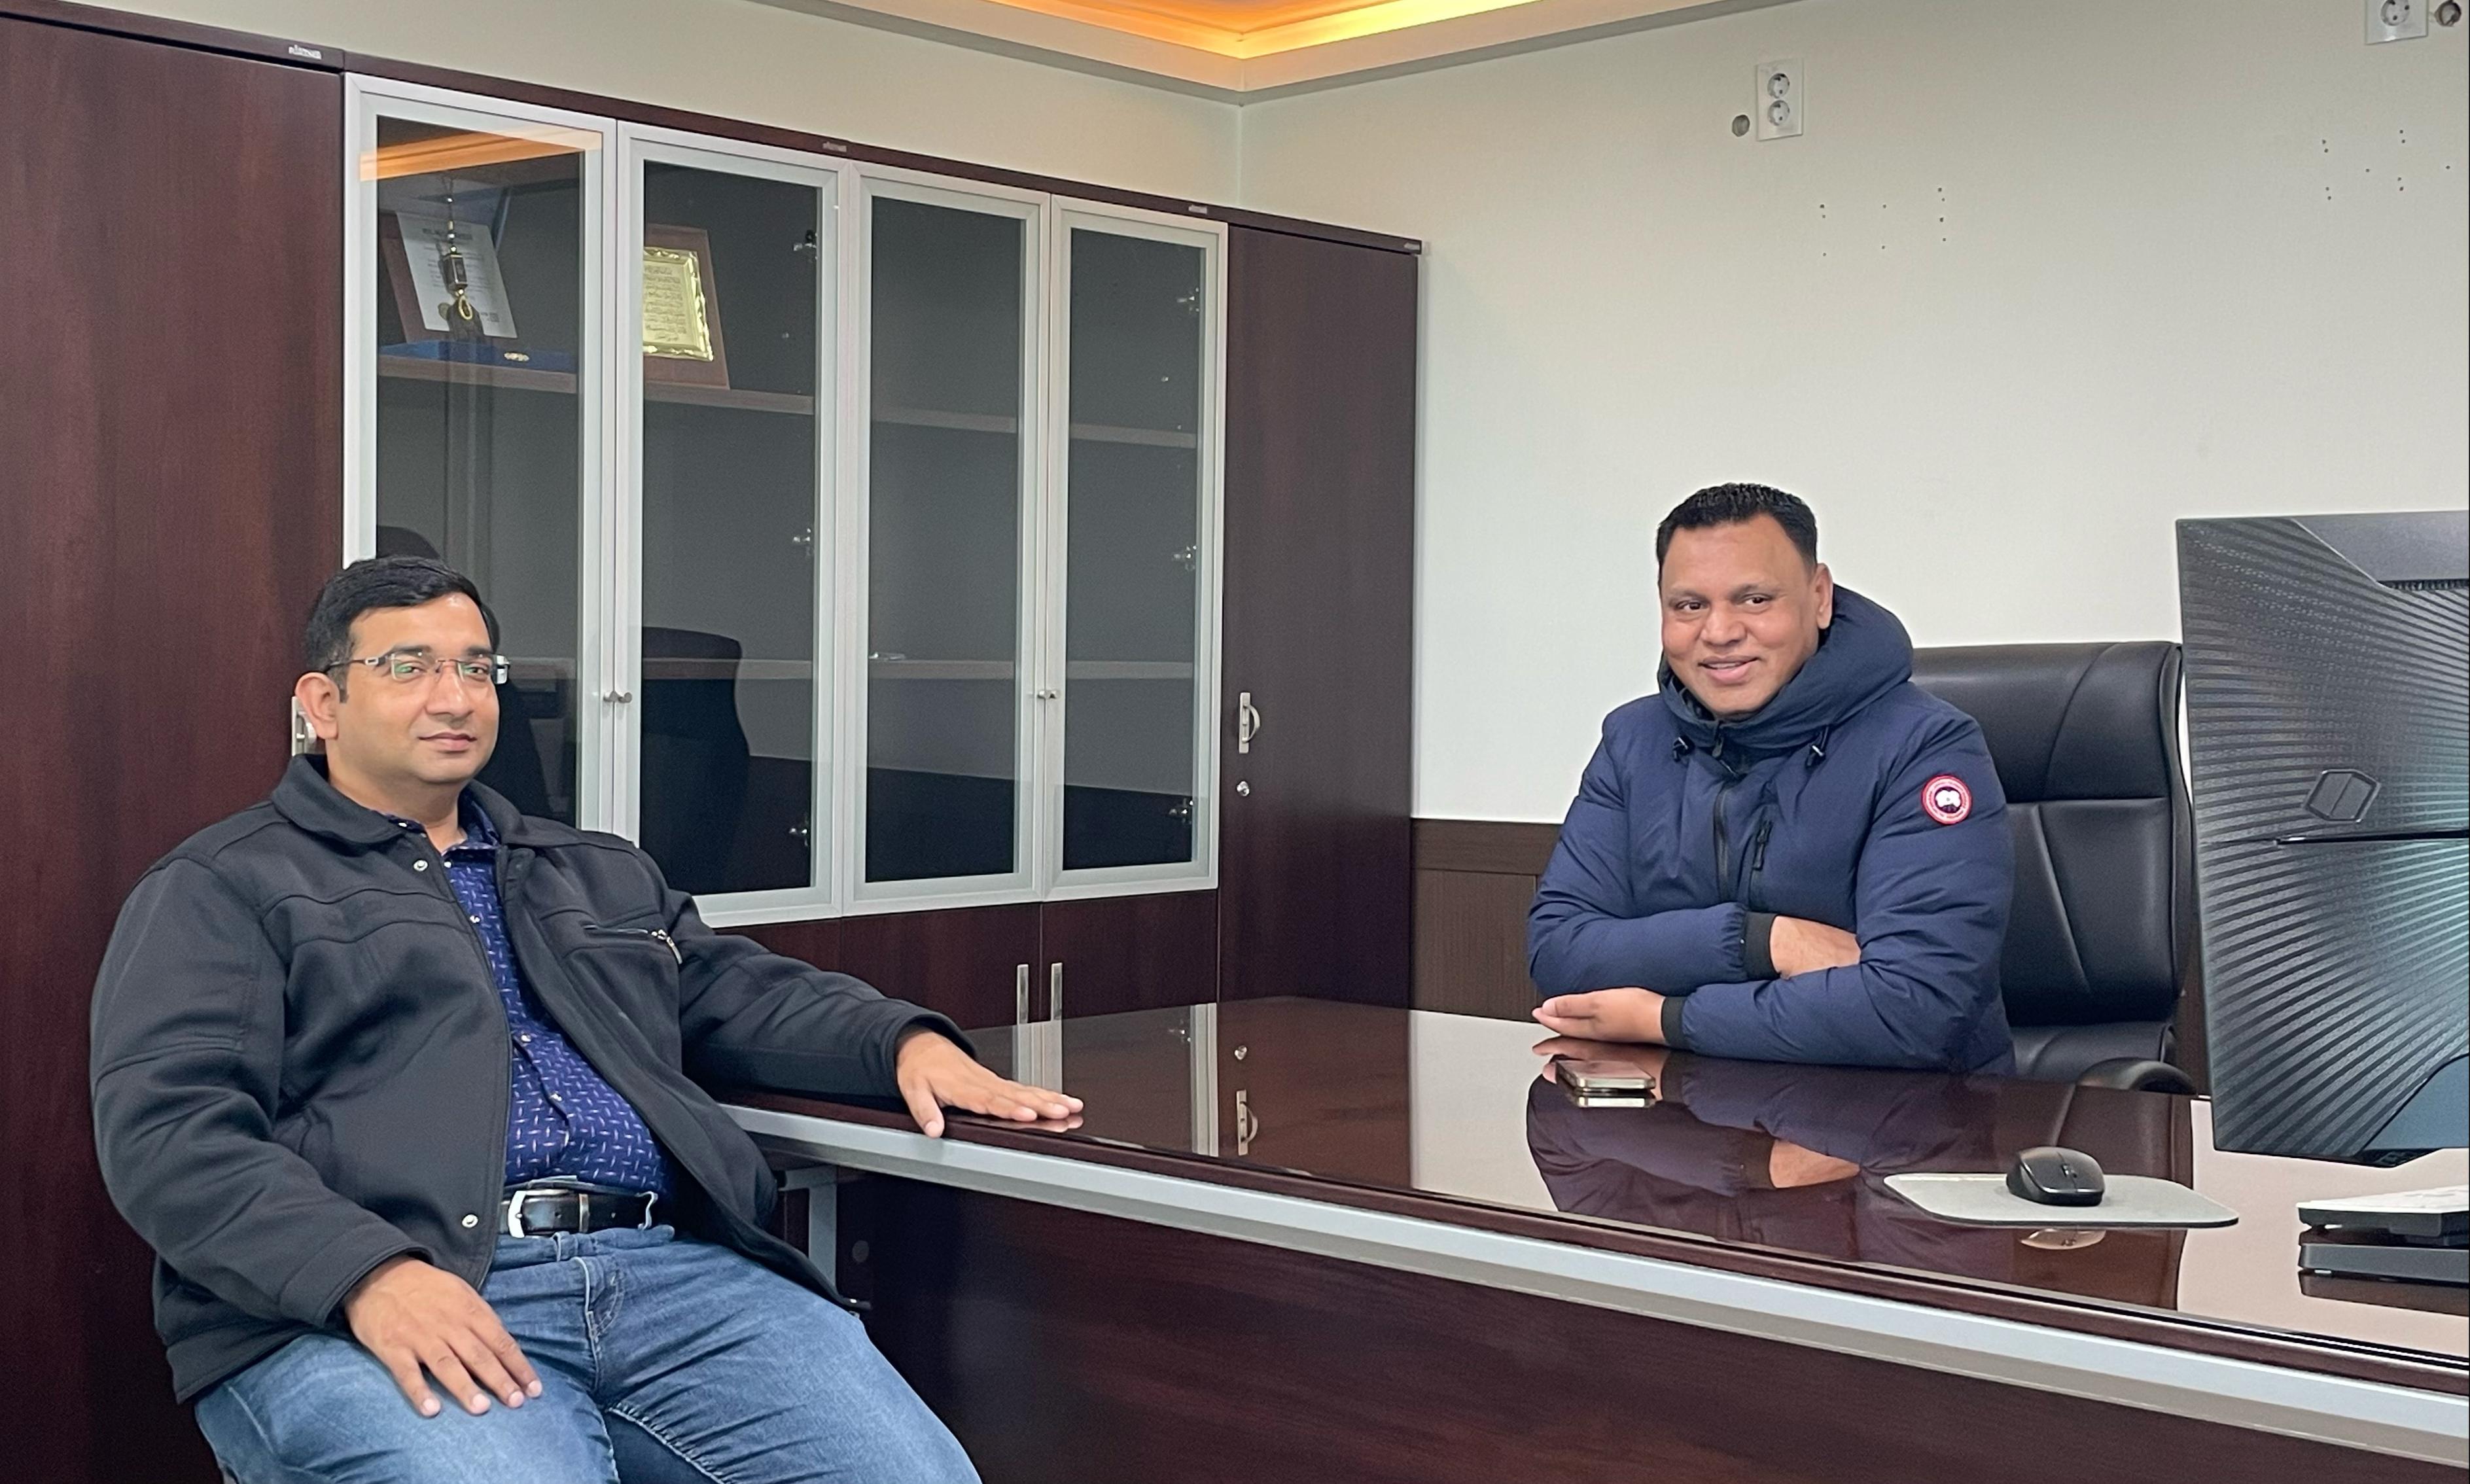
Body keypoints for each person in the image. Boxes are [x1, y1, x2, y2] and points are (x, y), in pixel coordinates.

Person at [90, 556, 1080, 1484]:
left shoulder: (591, 870)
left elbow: (740, 991)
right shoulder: (224, 886)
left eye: (476, 668)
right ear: (322, 703)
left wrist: (898, 1039)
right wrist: (368, 1274)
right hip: (392, 1290)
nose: (455, 697)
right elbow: (172, 1133)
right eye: (410, 667)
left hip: (669, 1277)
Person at [1527, 483, 2015, 1071]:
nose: (1719, 632)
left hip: (1901, 1114)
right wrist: (1761, 942)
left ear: (1819, 598)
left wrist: (1662, 1018)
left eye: (1754, 600)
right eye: (1688, 606)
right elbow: (1559, 954)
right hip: (1680, 1109)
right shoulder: (1632, 740)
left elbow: (1914, 1008)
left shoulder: (1925, 746)